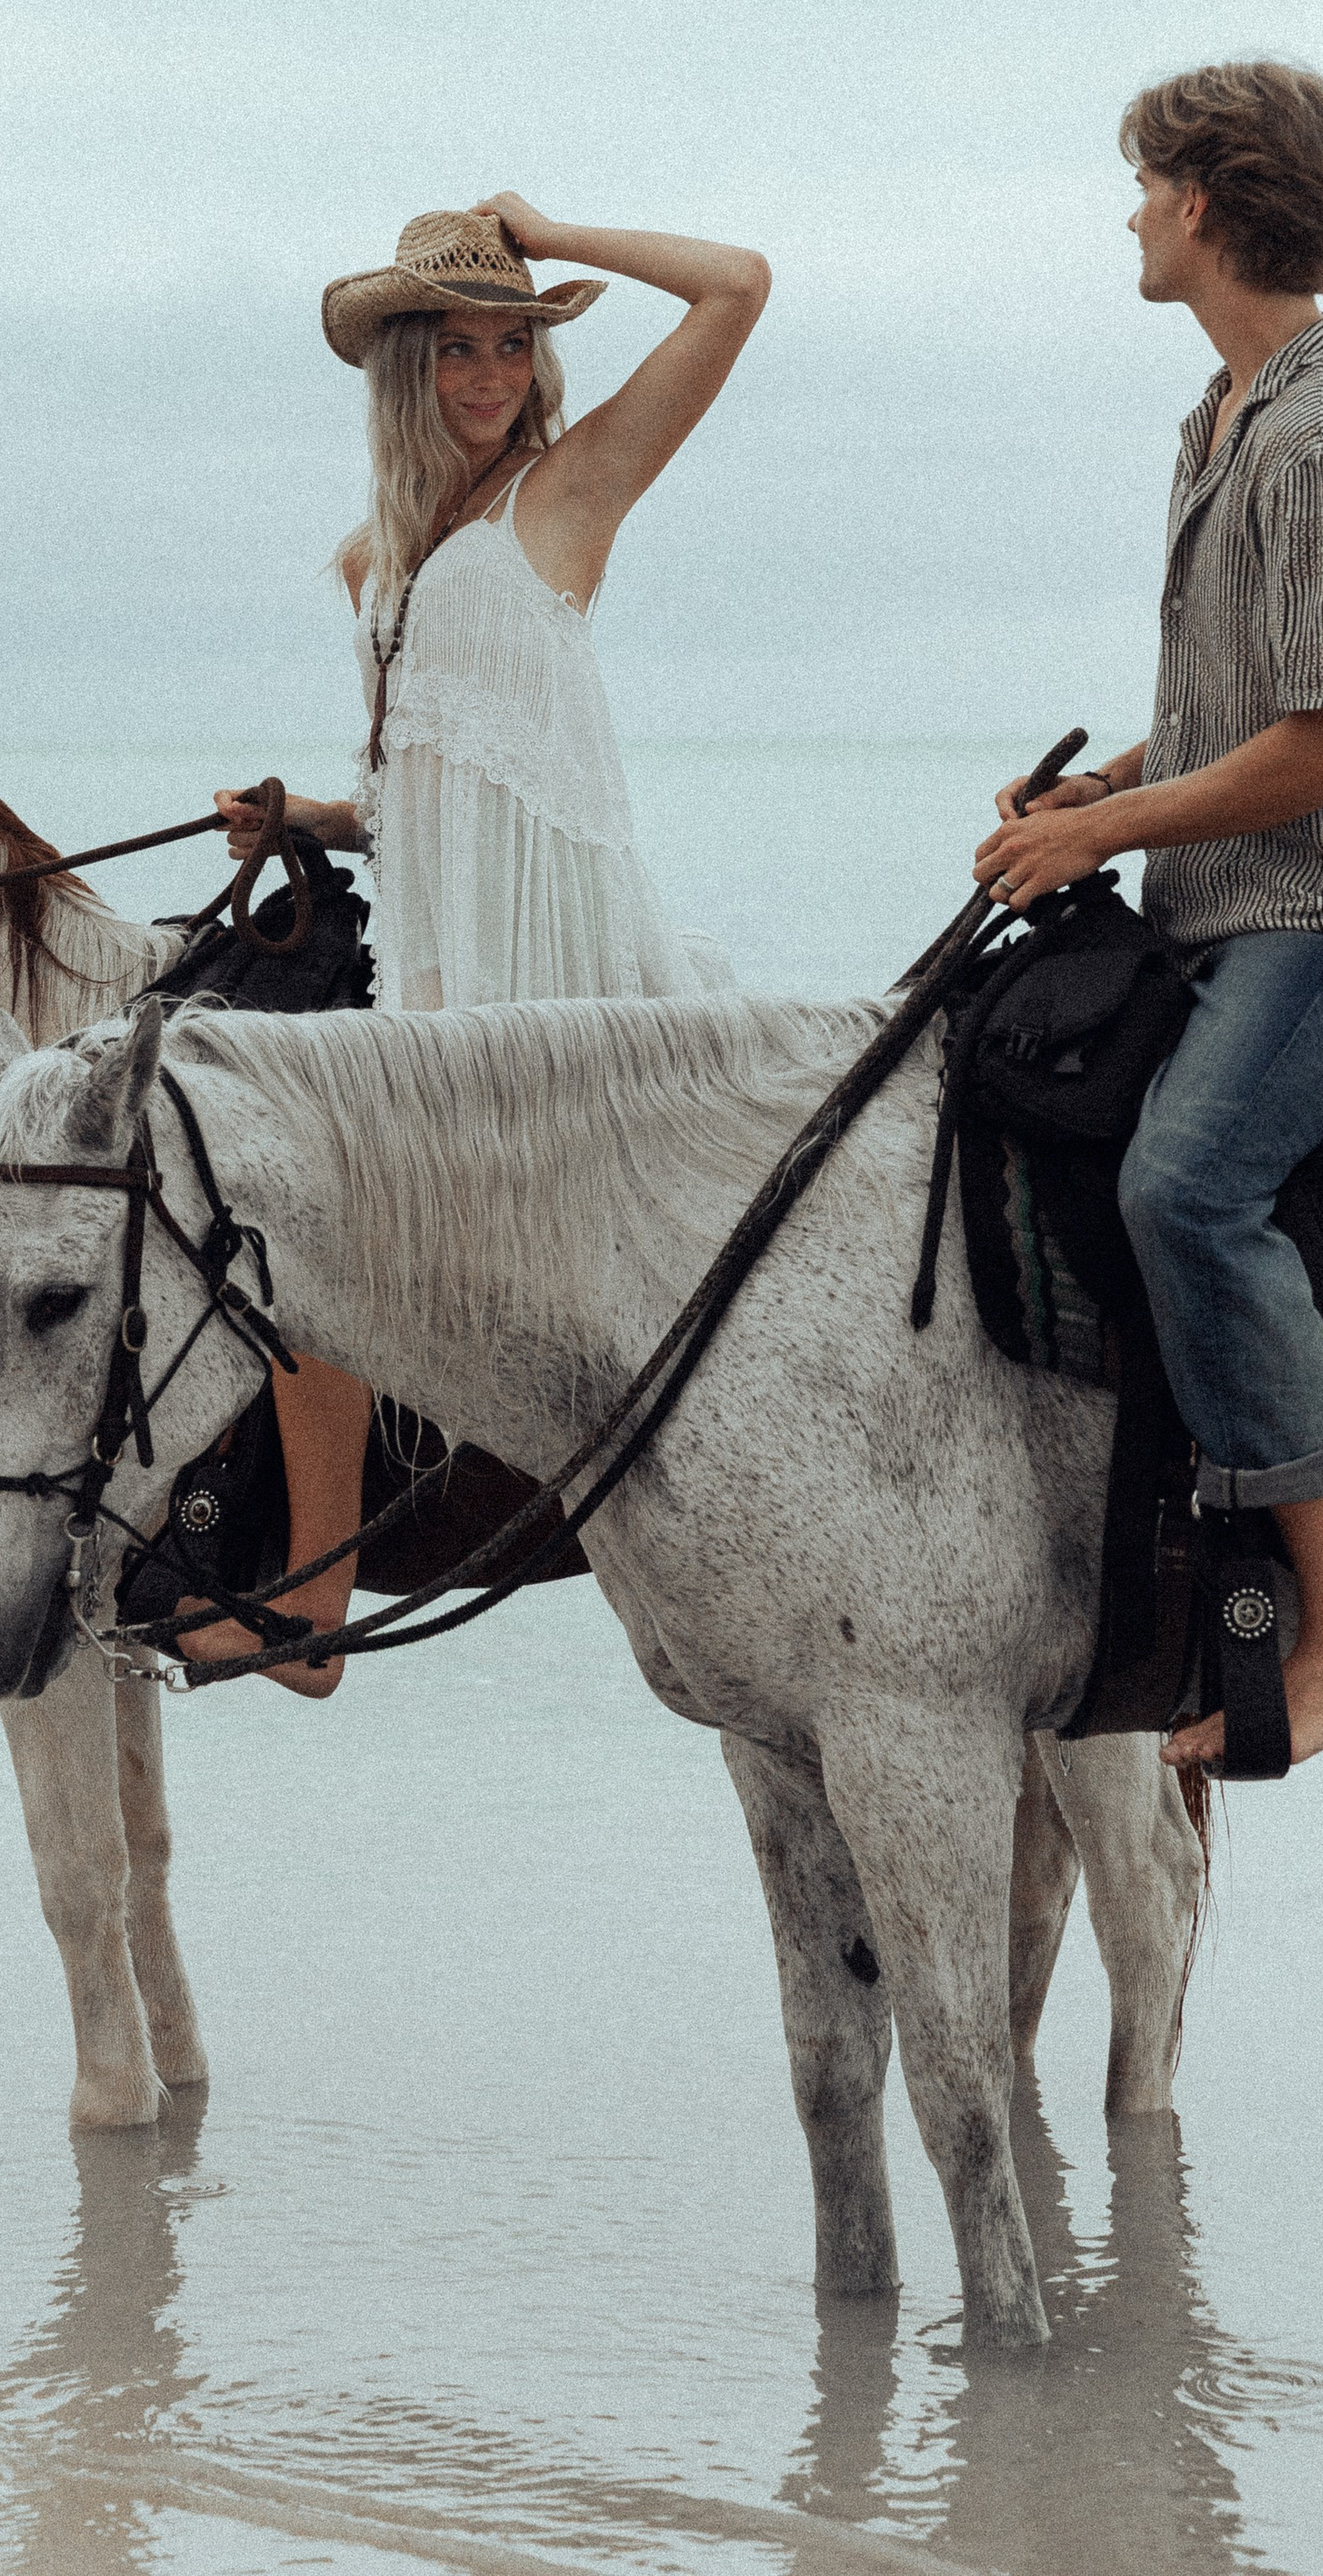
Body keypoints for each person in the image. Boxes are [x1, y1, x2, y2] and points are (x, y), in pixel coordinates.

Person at [974, 62, 1323, 1769]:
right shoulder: (1224, 417)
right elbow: (1235, 708)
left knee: (1185, 1185)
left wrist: (1109, 824)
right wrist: (1092, 798)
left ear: (1197, 204)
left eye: (1140, 188)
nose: (1125, 214)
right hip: (1233, 897)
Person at [202, 192, 771, 1691]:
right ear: (404, 368)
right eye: (456, 349)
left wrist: (559, 227)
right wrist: (305, 821)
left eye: (510, 346)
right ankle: (283, 1577)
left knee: (321, 1231)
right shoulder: (372, 567)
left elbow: (737, 287)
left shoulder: (567, 495)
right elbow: (415, 802)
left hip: (565, 974)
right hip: (444, 978)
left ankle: (310, 1613)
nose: (486, 378)